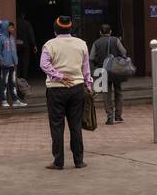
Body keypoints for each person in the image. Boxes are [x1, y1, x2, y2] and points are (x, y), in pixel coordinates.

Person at [40, 15, 91, 169]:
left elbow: (44, 65)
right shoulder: (81, 44)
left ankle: (58, 161)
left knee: (56, 125)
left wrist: (59, 76)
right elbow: (86, 68)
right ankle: (79, 160)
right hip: (77, 88)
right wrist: (88, 85)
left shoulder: (49, 45)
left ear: (55, 30)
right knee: (75, 125)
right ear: (70, 28)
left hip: (56, 90)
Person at [89, 23, 126, 124]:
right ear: (110, 32)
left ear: (100, 32)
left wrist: (97, 65)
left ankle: (110, 116)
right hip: (116, 70)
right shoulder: (116, 40)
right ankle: (118, 116)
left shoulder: (96, 43)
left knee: (106, 93)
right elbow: (124, 52)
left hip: (103, 70)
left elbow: (91, 57)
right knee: (118, 92)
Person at [0, 20, 27, 107]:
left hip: (12, 65)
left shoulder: (12, 38)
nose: (13, 29)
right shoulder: (1, 38)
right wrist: (2, 61)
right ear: (6, 28)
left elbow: (13, 51)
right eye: (11, 27)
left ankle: (15, 101)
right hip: (5, 65)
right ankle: (4, 100)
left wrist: (15, 61)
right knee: (4, 83)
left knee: (12, 83)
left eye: (13, 27)